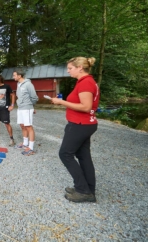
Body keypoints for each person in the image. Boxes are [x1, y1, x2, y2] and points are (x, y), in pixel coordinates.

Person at [51, 57, 100, 203]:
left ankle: (83, 190)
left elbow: (86, 107)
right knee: (83, 156)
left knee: (65, 154)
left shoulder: (86, 83)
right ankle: (88, 188)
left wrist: (61, 101)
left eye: (70, 68)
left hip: (80, 124)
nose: (68, 70)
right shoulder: (85, 82)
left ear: (80, 68)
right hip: (85, 124)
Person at [13, 69, 38, 155]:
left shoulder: (28, 84)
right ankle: (25, 144)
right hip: (20, 108)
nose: (13, 77)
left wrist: (31, 107)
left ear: (19, 76)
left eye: (14, 75)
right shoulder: (18, 84)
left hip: (27, 108)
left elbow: (34, 97)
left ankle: (30, 148)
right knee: (22, 125)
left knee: (28, 127)